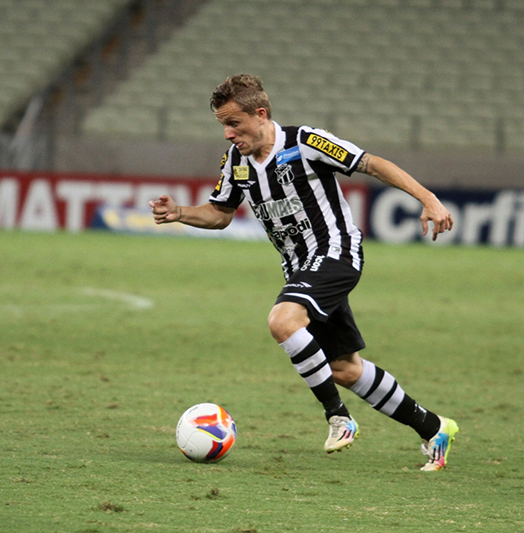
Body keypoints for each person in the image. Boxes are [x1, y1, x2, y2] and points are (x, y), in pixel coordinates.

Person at [150, 74, 459, 471]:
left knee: (283, 319)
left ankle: (338, 417)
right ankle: (434, 428)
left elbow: (372, 164)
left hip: (336, 253)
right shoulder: (236, 163)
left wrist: (429, 199)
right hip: (300, 268)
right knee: (344, 369)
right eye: (222, 126)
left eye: (234, 124)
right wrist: (180, 213)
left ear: (260, 115)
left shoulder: (307, 142)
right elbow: (220, 215)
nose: (228, 134)